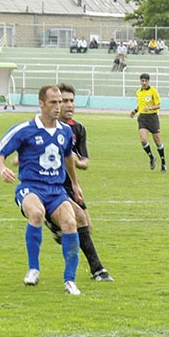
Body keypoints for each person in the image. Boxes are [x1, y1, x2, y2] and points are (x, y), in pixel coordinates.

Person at [0, 84, 83, 295]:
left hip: (56, 189)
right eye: (53, 102)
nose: (58, 107)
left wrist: (75, 184)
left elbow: (68, 157)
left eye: (60, 102)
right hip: (30, 187)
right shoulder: (25, 129)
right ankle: (33, 269)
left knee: (70, 222)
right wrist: (2, 168)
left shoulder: (66, 131)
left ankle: (70, 280)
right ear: (41, 103)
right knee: (37, 213)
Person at [45, 82, 114, 282]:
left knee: (87, 225)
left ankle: (60, 229)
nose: (68, 105)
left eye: (71, 101)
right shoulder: (47, 128)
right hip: (51, 185)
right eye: (63, 101)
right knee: (79, 220)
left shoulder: (79, 129)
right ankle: (97, 271)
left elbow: (85, 162)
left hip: (69, 184)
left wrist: (75, 166)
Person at [129, 73, 167, 172]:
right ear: (140, 81)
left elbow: (158, 105)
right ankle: (151, 157)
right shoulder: (138, 92)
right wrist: (135, 111)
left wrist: (149, 108)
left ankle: (163, 163)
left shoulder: (153, 91)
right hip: (142, 118)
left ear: (148, 81)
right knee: (143, 139)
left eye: (146, 81)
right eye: (142, 81)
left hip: (152, 118)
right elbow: (141, 105)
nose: (144, 83)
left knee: (158, 141)